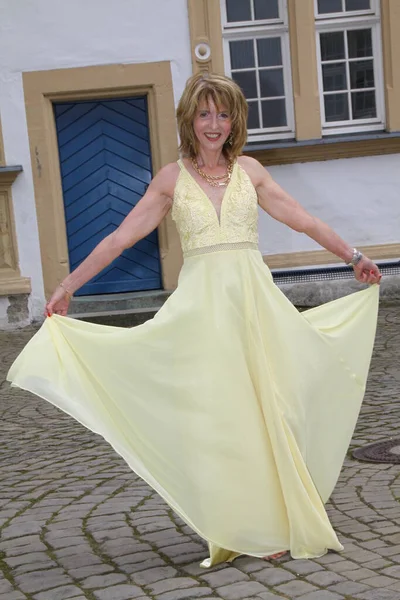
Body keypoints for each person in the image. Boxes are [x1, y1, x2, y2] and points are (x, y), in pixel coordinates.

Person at [8, 72, 381, 567]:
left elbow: (302, 218)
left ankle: (279, 514)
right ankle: (247, 524)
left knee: (274, 408)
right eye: (204, 113)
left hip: (253, 306)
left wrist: (353, 255)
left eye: (223, 114)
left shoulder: (251, 171)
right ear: (189, 118)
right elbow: (121, 238)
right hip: (203, 314)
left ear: (234, 120)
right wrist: (66, 286)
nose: (214, 124)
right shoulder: (171, 179)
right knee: (223, 419)